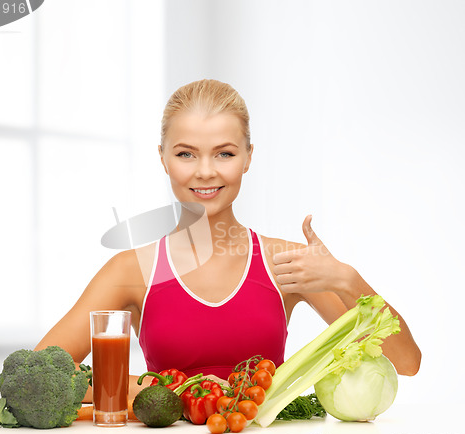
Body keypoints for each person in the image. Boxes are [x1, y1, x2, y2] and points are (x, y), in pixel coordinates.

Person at [35, 79, 421, 402]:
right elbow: (41, 372)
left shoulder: (285, 262)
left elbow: (405, 362)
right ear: (163, 158)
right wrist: (159, 388)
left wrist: (346, 279)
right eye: (186, 154)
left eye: (224, 153)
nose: (205, 172)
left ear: (248, 157)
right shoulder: (132, 270)